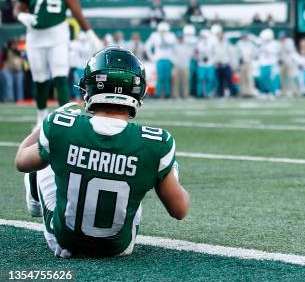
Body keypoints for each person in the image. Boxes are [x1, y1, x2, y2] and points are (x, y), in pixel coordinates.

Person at [15, 46, 189, 258]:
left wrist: (43, 126)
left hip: (63, 242)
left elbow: (21, 161)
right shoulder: (157, 141)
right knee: (155, 167)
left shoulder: (60, 125)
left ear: (89, 87)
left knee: (46, 153)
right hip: (120, 248)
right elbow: (180, 211)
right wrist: (169, 173)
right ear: (138, 91)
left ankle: (35, 205)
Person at [15, 0, 102, 125]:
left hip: (58, 35)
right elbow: (19, 8)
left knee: (60, 76)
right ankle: (40, 118)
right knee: (39, 78)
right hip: (35, 37)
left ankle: (65, 118)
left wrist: (90, 32)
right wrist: (21, 16)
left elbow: (76, 11)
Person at [144, 22, 177, 98]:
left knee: (167, 78)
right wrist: (152, 57)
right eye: (162, 30)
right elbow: (147, 46)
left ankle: (167, 94)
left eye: (164, 30)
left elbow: (175, 48)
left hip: (168, 60)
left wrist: (174, 59)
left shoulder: (171, 36)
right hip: (159, 60)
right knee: (160, 77)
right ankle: (157, 93)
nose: (163, 32)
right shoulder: (154, 35)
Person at [210, 24, 237, 97]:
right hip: (218, 65)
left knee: (229, 80)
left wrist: (233, 64)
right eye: (218, 34)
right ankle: (220, 94)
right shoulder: (214, 43)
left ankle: (232, 94)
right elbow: (212, 54)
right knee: (220, 81)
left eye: (221, 34)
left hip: (226, 64)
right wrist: (214, 62)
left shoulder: (227, 43)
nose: (220, 35)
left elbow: (231, 54)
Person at [236, 33, 256, 97]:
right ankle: (244, 93)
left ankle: (250, 92)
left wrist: (251, 58)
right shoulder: (239, 44)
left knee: (249, 78)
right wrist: (239, 59)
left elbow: (254, 53)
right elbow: (237, 53)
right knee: (242, 78)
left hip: (248, 63)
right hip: (242, 63)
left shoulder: (250, 44)